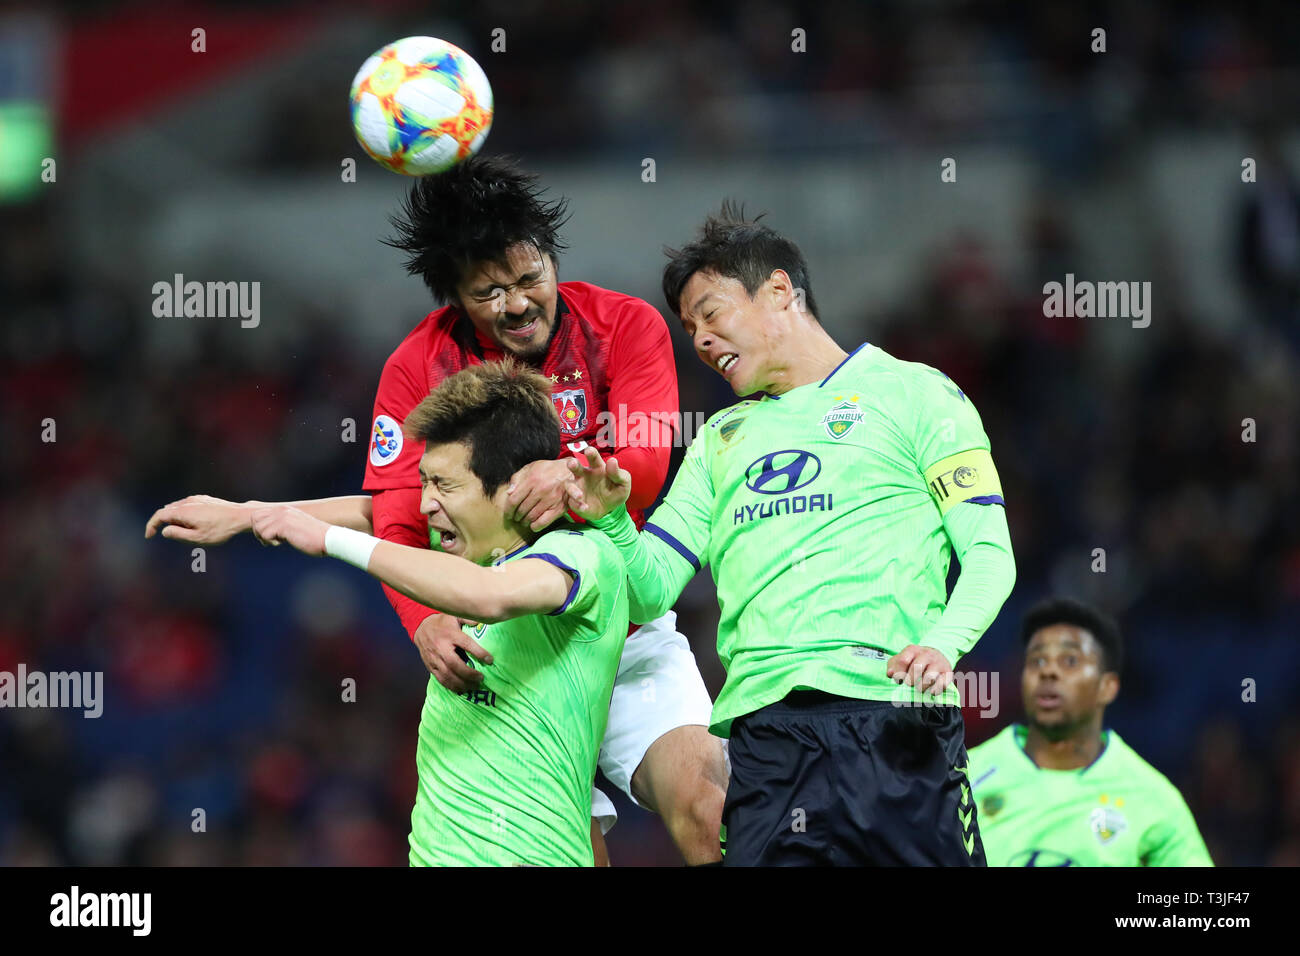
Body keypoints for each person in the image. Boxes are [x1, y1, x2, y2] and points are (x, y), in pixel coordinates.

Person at [145, 156, 727, 863]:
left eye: (529, 277)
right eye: (489, 292)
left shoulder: (623, 325)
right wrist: (424, 624)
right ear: (452, 296)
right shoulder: (415, 366)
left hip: (621, 630)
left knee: (709, 806)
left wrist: (566, 468)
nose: (517, 303)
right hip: (506, 653)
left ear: (551, 258)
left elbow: (642, 461)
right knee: (565, 853)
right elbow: (400, 514)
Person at [562, 201, 1017, 865]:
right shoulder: (720, 440)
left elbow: (988, 552)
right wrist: (609, 519)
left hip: (895, 719)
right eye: (690, 328)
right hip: (767, 748)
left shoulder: (917, 394)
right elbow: (648, 589)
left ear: (779, 290)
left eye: (712, 313)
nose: (702, 340)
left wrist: (944, 647)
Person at [246, 360, 630, 865]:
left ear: (513, 487)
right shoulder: (466, 554)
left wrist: (327, 540)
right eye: (425, 482)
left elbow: (491, 595)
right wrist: (241, 514)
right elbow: (377, 513)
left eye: (444, 487)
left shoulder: (584, 555)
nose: (425, 505)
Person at [968, 597, 1213, 867]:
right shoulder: (967, 776)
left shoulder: (1152, 798)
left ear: (1107, 686)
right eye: (1036, 661)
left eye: (1070, 661)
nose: (1048, 671)